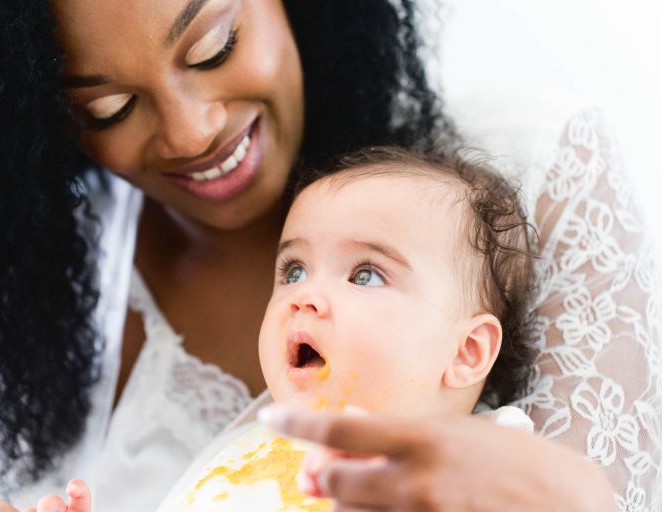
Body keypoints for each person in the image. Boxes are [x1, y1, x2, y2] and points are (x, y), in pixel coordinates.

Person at [0, 1, 658, 511]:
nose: (193, 133)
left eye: (216, 45)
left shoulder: (522, 166)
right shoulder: (245, 443)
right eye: (108, 109)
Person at [34, 146, 543, 511]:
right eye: (294, 270)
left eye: (365, 274)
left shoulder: (474, 464)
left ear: (466, 353)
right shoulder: (249, 440)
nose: (304, 296)